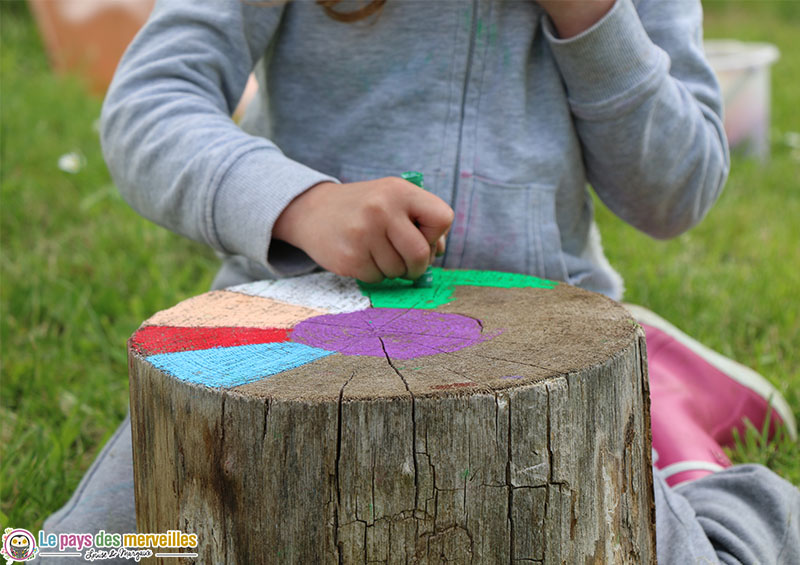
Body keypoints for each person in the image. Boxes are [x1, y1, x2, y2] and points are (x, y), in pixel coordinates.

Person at [43, 0, 799, 563]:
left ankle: (721, 487)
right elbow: (147, 101)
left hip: (545, 365)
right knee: (75, 552)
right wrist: (302, 204)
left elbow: (677, 189)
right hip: (281, 347)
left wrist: (591, 16)